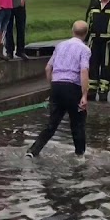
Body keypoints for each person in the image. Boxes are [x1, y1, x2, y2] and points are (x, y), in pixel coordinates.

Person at [26, 20, 91, 158]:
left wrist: (53, 86)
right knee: (78, 124)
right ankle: (80, 156)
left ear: (72, 31)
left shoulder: (60, 45)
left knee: (51, 124)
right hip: (73, 88)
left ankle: (33, 151)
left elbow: (48, 68)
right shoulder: (85, 49)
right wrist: (84, 95)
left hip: (57, 86)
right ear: (86, 33)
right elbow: (84, 71)